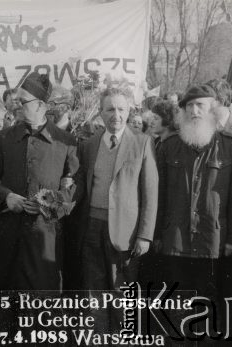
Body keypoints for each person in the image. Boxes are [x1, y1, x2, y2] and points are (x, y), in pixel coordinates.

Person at [155, 85, 232, 335]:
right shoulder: (168, 146)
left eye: (200, 105)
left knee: (209, 307)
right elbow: (159, 196)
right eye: (189, 106)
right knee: (176, 306)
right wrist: (157, 235)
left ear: (213, 110)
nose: (194, 111)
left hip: (213, 242)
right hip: (176, 241)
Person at [0, 72, 79, 290]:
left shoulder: (66, 142)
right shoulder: (4, 137)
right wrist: (7, 197)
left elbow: (76, 190)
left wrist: (48, 202)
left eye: (23, 101)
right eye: (16, 101)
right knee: (6, 302)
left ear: (42, 105)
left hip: (45, 239)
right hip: (8, 238)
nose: (17, 106)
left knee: (41, 303)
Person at [77, 87, 158, 290]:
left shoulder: (142, 143)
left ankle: (121, 324)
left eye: (121, 109)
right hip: (92, 228)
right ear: (101, 113)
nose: (117, 115)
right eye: (110, 109)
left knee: (121, 292)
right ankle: (98, 324)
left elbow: (150, 193)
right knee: (93, 289)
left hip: (126, 232)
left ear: (129, 111)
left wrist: (144, 235)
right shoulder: (88, 145)